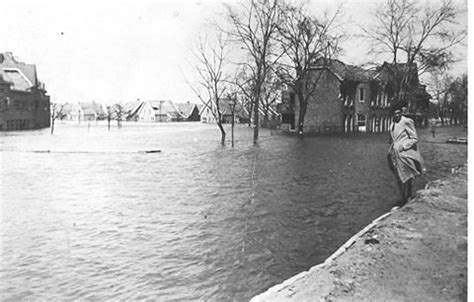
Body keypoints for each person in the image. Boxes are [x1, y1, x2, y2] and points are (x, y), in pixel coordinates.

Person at [388, 105, 424, 208]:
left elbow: (414, 138)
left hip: (405, 154)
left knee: (406, 176)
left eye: (399, 113)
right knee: (399, 176)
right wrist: (390, 147)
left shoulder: (407, 121)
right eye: (395, 113)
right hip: (395, 154)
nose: (397, 115)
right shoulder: (393, 123)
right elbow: (392, 137)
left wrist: (403, 146)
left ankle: (405, 199)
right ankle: (405, 197)